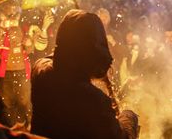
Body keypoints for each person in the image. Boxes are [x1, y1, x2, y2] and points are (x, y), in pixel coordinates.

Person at [31, 9, 139, 139]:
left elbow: (64, 54)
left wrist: (96, 65)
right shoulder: (95, 100)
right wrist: (129, 116)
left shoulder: (41, 70)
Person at [0, 0, 33, 129]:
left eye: (15, 9)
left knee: (25, 103)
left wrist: (29, 44)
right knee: (7, 105)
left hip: (22, 71)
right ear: (3, 9)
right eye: (9, 9)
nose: (12, 12)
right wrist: (2, 27)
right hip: (4, 72)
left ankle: (29, 128)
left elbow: (28, 50)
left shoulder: (21, 25)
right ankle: (12, 131)